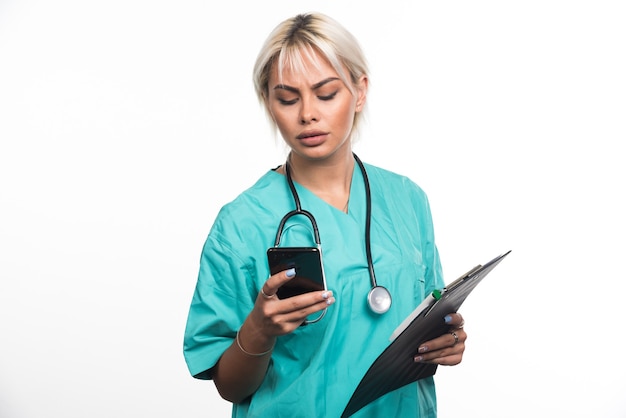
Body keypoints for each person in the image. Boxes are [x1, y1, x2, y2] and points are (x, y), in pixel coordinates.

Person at [183, 12, 467, 418]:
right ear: (269, 102)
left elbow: (429, 321)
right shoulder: (241, 224)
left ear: (360, 91)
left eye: (326, 93)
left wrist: (446, 342)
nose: (307, 114)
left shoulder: (408, 200)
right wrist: (259, 331)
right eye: (287, 98)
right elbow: (229, 386)